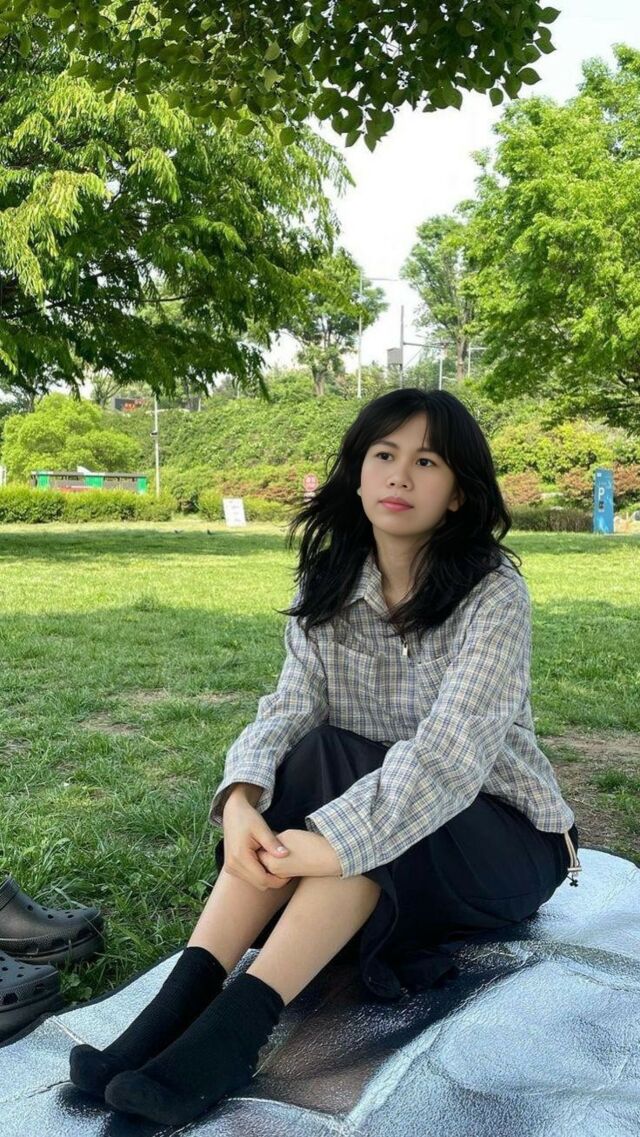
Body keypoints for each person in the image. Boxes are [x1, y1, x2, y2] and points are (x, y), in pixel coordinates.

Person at [69, 387, 581, 1127]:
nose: (399, 474)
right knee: (318, 754)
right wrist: (241, 801)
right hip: (388, 816)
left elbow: (448, 757)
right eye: (384, 455)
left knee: (368, 814)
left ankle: (231, 1037)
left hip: (500, 839)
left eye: (426, 461)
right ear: (358, 473)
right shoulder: (331, 582)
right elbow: (287, 706)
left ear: (459, 493)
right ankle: (174, 1007)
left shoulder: (493, 595)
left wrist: (332, 843)